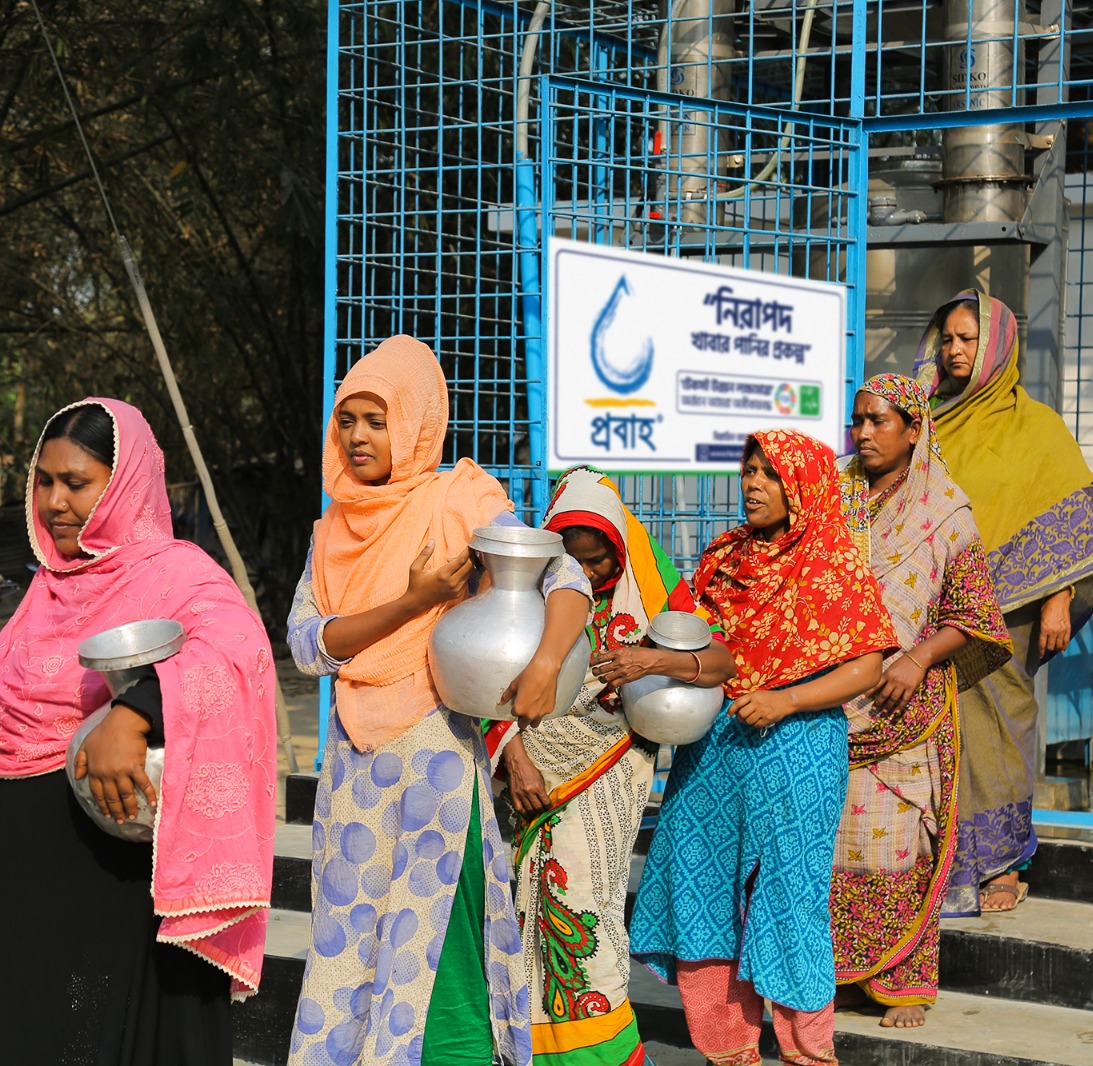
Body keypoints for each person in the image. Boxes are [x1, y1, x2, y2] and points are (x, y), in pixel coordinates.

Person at [0, 399, 277, 1066]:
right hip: (16, 878)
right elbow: (13, 711)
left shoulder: (179, 575)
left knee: (110, 1032)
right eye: (44, 481)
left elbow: (237, 654)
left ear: (124, 484)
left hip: (117, 875)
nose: (55, 502)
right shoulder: (46, 590)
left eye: (77, 483)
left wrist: (135, 710)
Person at [285, 335, 592, 1066]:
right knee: (348, 945)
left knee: (435, 946)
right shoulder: (332, 531)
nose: (357, 436)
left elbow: (566, 576)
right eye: (348, 420)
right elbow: (306, 646)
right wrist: (415, 599)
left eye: (376, 420)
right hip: (355, 773)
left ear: (417, 423)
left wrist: (547, 661)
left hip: (435, 769)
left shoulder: (459, 502)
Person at [630, 429, 899, 1066]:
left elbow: (867, 667)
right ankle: (729, 1048)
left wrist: (785, 699)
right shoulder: (723, 556)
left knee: (791, 892)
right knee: (700, 878)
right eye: (749, 471)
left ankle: (808, 1050)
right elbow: (694, 643)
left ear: (802, 485)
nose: (753, 484)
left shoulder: (832, 562)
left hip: (800, 744)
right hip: (717, 744)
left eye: (770, 474)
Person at [486, 466, 735, 1066]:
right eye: (574, 559)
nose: (589, 574)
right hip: (528, 774)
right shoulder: (522, 595)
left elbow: (719, 660)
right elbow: (486, 686)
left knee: (585, 907)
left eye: (601, 560)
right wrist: (515, 759)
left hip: (611, 774)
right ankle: (526, 1049)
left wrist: (649, 659)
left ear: (621, 549)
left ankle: (596, 1051)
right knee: (521, 911)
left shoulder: (652, 592)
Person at [917, 290, 1093, 914]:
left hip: (1009, 611)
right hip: (932, 610)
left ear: (998, 345)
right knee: (932, 733)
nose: (955, 351)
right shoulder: (927, 419)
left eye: (967, 340)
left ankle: (1005, 861)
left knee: (999, 730)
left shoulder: (1036, 425)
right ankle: (937, 865)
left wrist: (1059, 599)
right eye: (948, 339)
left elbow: (1065, 517)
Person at [830, 375, 1012, 1028]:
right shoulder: (834, 491)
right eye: (858, 421)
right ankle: (850, 975)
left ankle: (906, 985)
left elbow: (971, 613)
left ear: (914, 428)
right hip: (832, 704)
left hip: (905, 706)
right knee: (838, 847)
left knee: (899, 844)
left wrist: (915, 657)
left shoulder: (945, 511)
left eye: (880, 421)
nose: (864, 433)